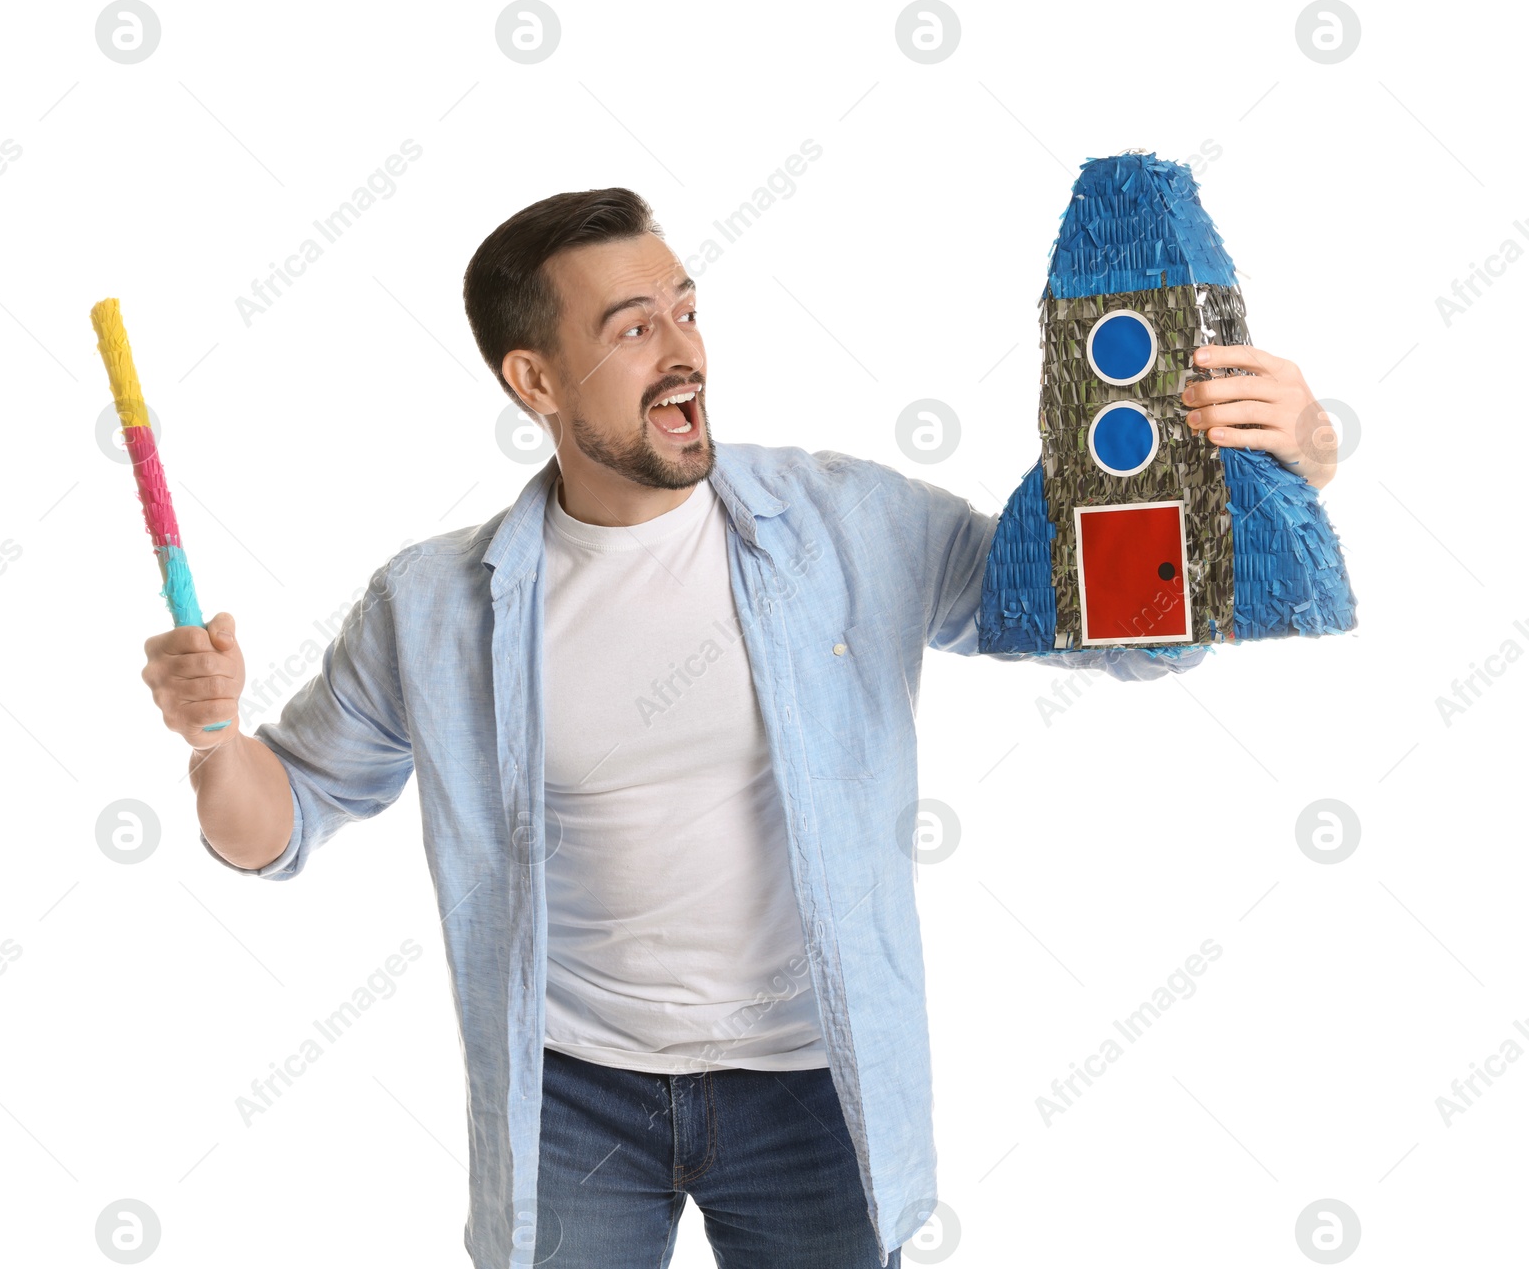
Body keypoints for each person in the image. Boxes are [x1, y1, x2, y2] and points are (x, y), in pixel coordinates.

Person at [139, 188, 1335, 1268]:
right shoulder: (433, 605)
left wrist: (1291, 462)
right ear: (535, 381)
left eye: (685, 309)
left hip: (812, 1089)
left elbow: (1109, 622)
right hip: (572, 1100)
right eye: (631, 327)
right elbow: (273, 824)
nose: (685, 352)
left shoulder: (845, 523)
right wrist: (213, 736)